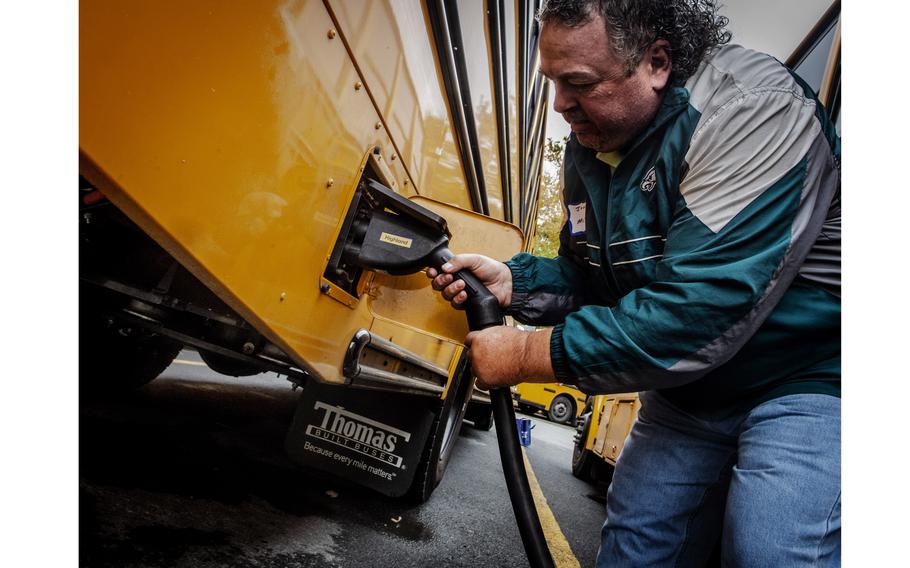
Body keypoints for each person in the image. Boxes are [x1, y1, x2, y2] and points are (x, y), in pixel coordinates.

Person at [428, 0, 841, 566]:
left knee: (772, 547)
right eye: (552, 81)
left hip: (812, 376)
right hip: (694, 393)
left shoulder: (750, 110)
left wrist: (526, 352)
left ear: (656, 62)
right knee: (635, 546)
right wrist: (513, 283)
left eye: (579, 83)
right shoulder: (593, 143)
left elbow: (699, 311)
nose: (559, 106)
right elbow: (594, 276)